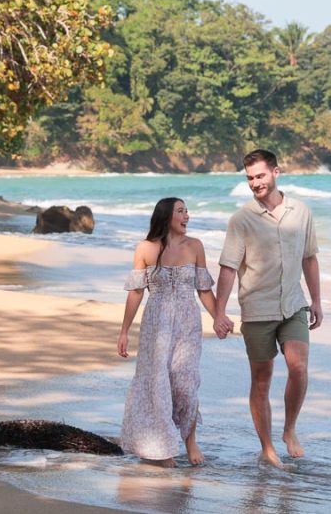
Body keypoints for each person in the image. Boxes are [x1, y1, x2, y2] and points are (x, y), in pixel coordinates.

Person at [214, 149, 323, 468]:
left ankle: (290, 429)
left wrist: (316, 300)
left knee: (299, 367)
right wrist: (220, 312)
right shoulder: (241, 219)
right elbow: (228, 267)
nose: (255, 183)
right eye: (249, 178)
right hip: (257, 311)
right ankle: (267, 446)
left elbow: (309, 257)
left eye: (260, 175)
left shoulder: (301, 212)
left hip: (293, 305)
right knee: (261, 380)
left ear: (276, 172)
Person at [117, 197, 218, 468]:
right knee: (158, 383)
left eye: (187, 211)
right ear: (166, 216)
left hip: (187, 321)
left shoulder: (195, 246)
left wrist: (219, 316)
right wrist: (124, 331)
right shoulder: (145, 248)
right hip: (156, 323)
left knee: (185, 382)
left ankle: (189, 439)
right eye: (181, 211)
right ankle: (163, 447)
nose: (187, 216)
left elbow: (204, 289)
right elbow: (136, 292)